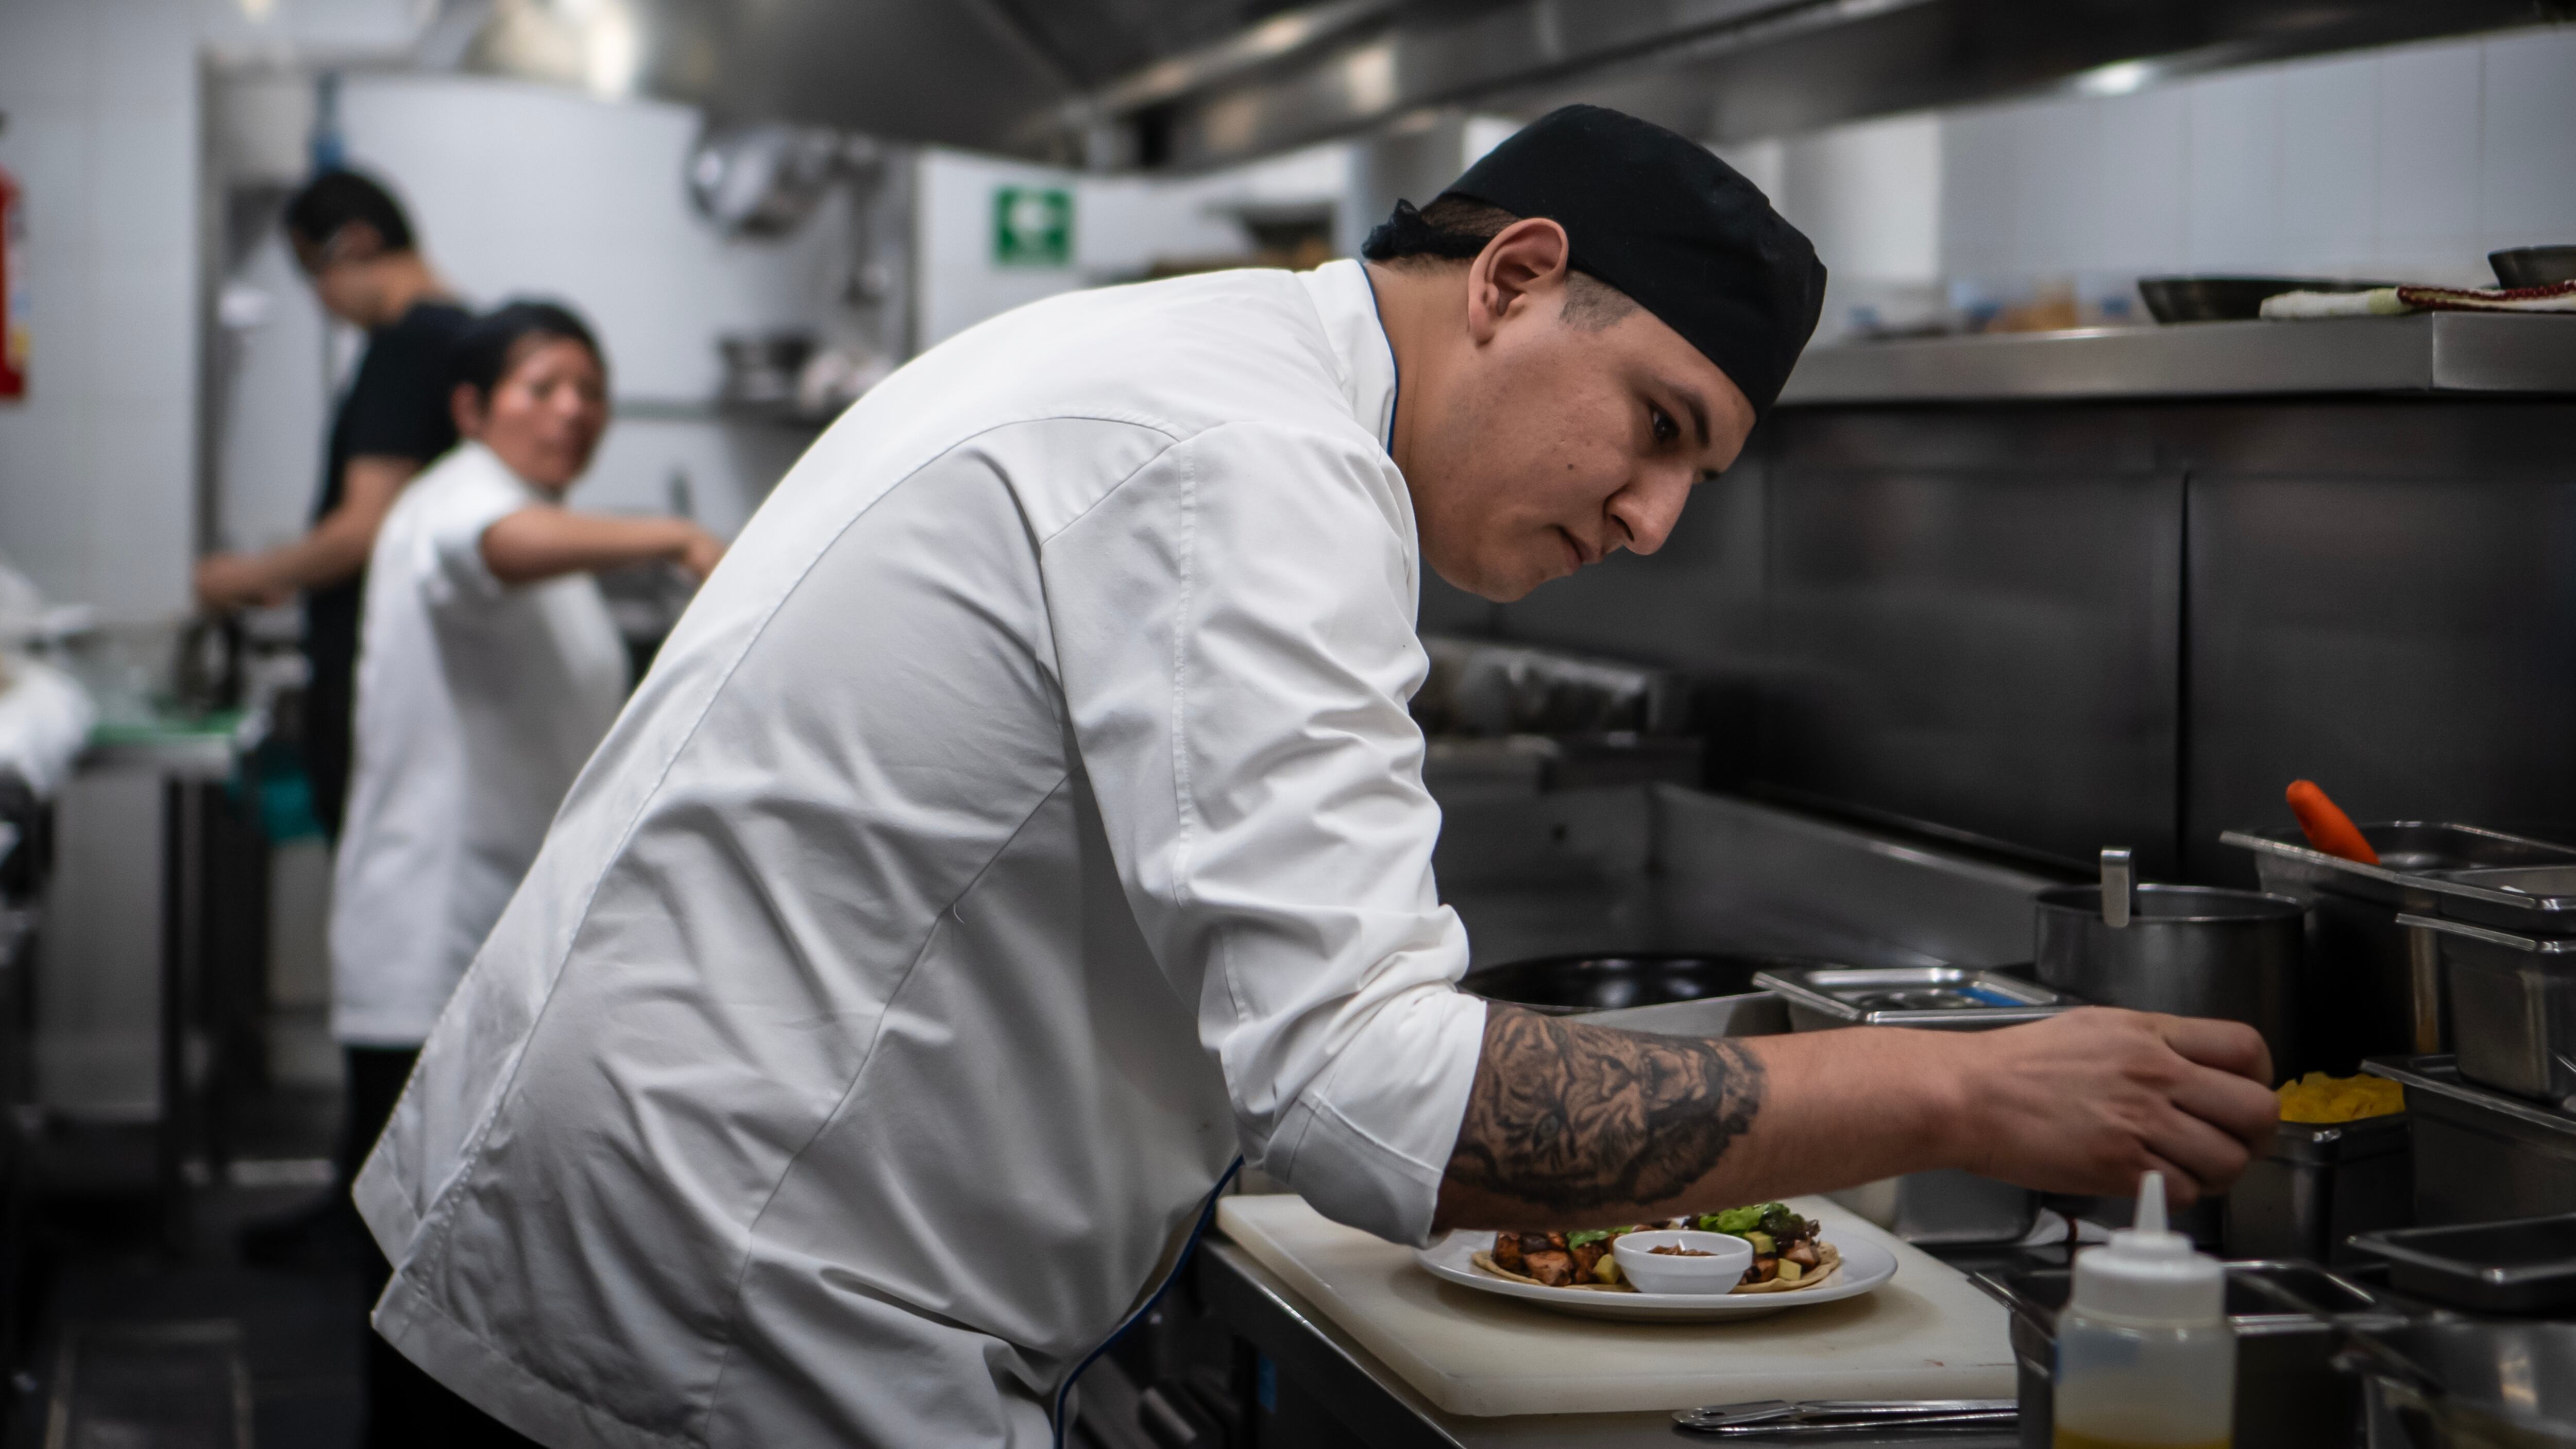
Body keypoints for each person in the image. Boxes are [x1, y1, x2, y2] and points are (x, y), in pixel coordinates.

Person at [355, 107, 2277, 1446]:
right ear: (1518, 278)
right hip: (712, 1340)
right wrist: (1962, 1086)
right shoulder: (1261, 462)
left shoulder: (1200, 371)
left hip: (617, 1269)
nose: (1654, 519)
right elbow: (1385, 1102)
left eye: (1705, 474)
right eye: (1659, 428)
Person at [331, 299, 724, 1446]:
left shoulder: (531, 517)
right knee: (428, 1299)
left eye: (590, 389)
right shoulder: (462, 502)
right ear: (471, 407)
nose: (572, 410)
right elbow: (494, 549)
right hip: (434, 953)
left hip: (497, 958)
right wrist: (679, 537)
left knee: (474, 1292)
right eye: (543, 386)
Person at [195, 169, 470, 842]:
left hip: (376, 673)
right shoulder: (465, 334)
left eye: (312, 272)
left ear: (356, 244)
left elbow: (362, 529)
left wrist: (248, 575)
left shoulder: (407, 345)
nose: (320, 300)